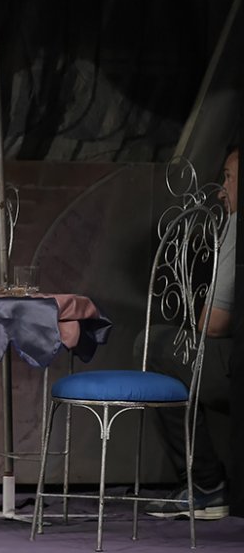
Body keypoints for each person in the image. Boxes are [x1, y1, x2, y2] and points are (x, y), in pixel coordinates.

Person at [142, 146, 236, 520]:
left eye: (229, 177)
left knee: (153, 345)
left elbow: (212, 323)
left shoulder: (236, 224)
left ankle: (205, 483)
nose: (221, 191)